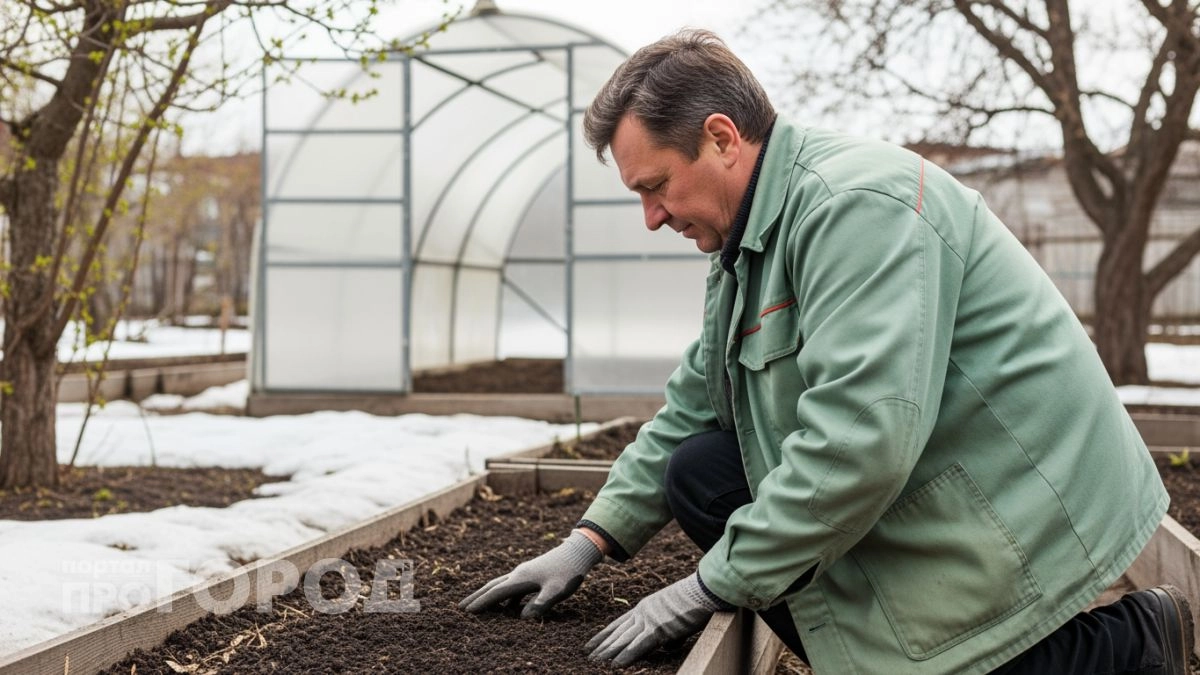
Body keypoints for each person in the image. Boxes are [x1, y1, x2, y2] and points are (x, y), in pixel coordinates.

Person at [460, 29, 1194, 674]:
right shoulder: (746, 242)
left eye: (656, 187)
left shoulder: (856, 207)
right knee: (703, 472)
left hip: (1023, 493)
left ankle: (1133, 639)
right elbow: (694, 405)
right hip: (939, 461)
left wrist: (711, 584)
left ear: (721, 138)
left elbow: (864, 436)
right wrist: (588, 540)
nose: (652, 218)